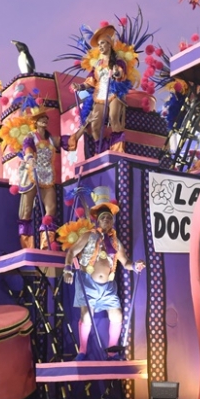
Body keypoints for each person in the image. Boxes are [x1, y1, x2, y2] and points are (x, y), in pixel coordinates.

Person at [63, 187, 145, 359]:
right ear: (98, 221)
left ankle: (112, 352)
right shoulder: (88, 235)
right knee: (87, 316)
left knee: (117, 315)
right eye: (103, 217)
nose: (106, 219)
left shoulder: (116, 241)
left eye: (109, 217)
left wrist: (135, 266)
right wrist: (67, 269)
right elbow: (72, 251)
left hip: (108, 286)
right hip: (88, 283)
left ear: (112, 221)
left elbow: (125, 262)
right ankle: (82, 351)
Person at [68, 26, 132, 152]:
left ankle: (118, 149)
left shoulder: (118, 61)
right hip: (101, 95)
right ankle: (101, 149)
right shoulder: (97, 65)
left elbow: (121, 73)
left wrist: (116, 73)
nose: (100, 47)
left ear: (109, 44)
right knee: (95, 125)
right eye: (98, 45)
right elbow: (91, 81)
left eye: (102, 43)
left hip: (114, 92)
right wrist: (80, 87)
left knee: (113, 117)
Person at [16, 107, 60, 249]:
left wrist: (82, 128)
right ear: (35, 121)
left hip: (47, 176)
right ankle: (26, 246)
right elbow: (27, 147)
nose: (45, 120)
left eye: (46, 119)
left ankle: (46, 244)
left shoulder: (51, 139)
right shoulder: (31, 136)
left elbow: (67, 141)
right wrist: (29, 158)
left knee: (51, 209)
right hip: (32, 173)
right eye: (42, 118)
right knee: (26, 210)